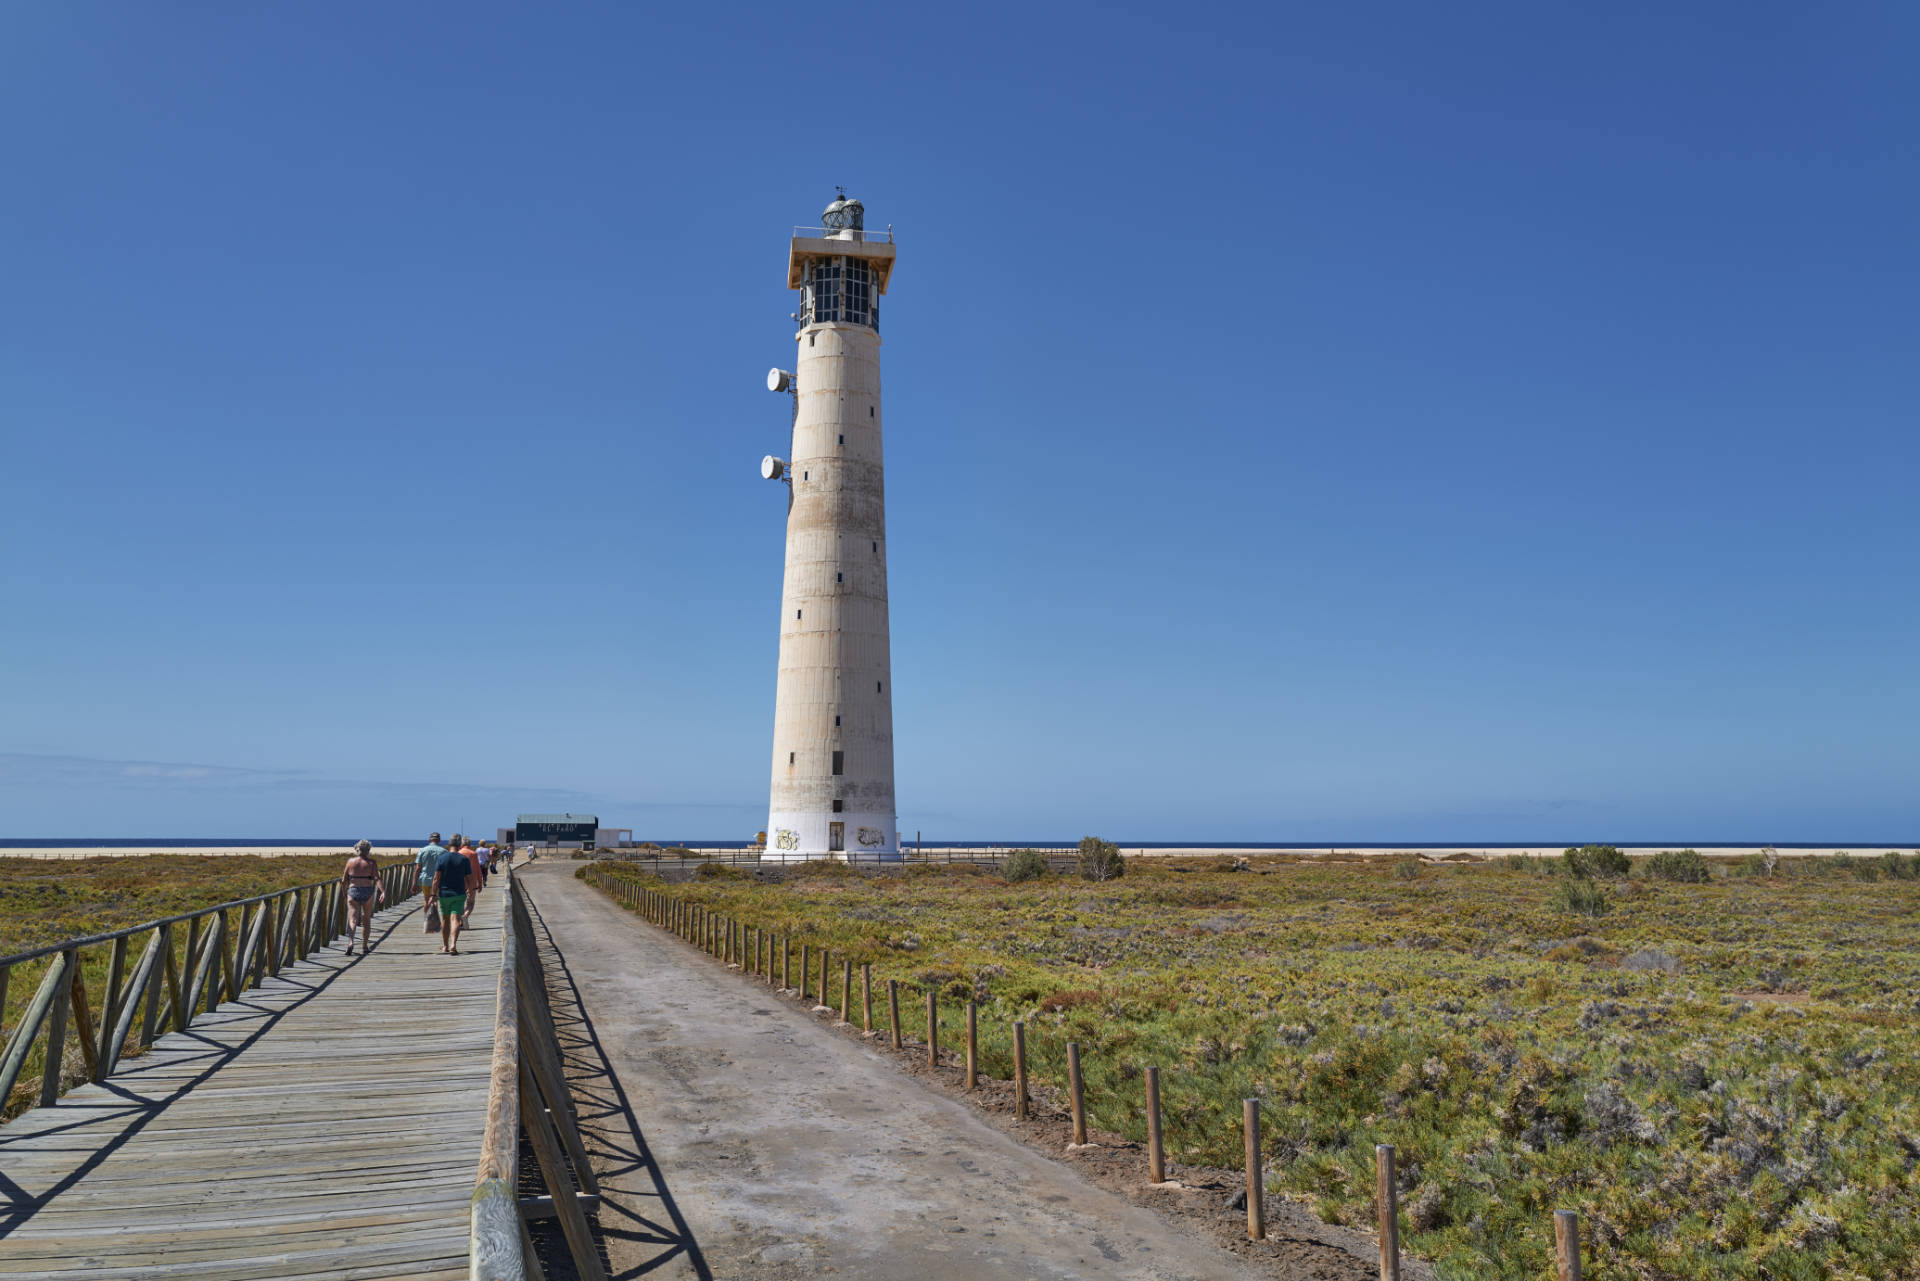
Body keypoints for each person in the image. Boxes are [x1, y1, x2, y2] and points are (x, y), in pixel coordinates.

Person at [341, 839, 384, 955]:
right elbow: (376, 878)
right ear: (368, 850)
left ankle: (350, 941)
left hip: (353, 890)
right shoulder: (371, 863)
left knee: (352, 919)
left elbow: (344, 880)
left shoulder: (350, 862)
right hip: (367, 891)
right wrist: (383, 891)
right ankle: (364, 946)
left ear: (357, 849)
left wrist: (344, 892)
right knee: (366, 920)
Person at [431, 838, 474, 955]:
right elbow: (470, 878)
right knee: (455, 919)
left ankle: (445, 946)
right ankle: (453, 945)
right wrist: (471, 893)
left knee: (445, 919)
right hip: (459, 894)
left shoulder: (442, 858)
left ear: (449, 845)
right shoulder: (464, 859)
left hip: (444, 894)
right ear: (460, 845)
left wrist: (433, 894)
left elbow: (436, 878)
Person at [415, 832, 446, 904]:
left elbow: (418, 868)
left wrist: (414, 883)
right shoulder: (444, 851)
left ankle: (427, 915)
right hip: (438, 880)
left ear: (430, 840)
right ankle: (433, 915)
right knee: (435, 900)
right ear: (439, 840)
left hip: (425, 879)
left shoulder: (422, 850)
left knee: (426, 900)